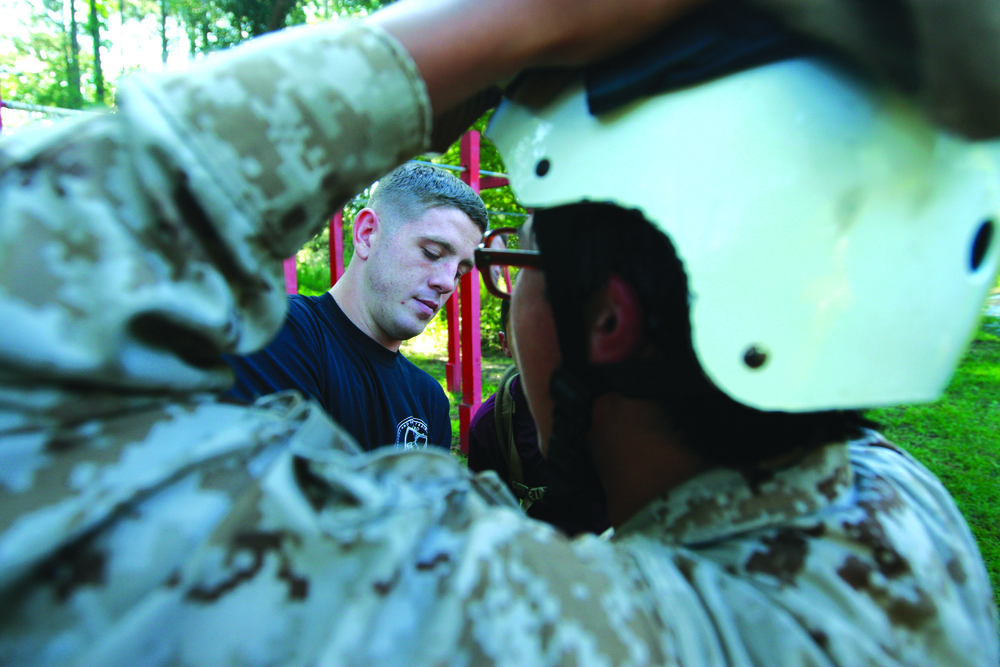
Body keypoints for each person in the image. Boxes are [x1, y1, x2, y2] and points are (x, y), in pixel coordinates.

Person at [2, 0, 1000, 665]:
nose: (477, 288)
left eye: (520, 257)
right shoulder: (898, 519)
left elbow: (31, 355)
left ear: (607, 317)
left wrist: (500, 24)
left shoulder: (543, 627)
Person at [224, 162, 487, 451]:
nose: (448, 283)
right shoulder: (277, 332)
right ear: (367, 234)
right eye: (432, 253)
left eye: (460, 271)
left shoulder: (429, 400)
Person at [469, 297, 610, 535]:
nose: (543, 342)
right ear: (505, 344)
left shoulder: (615, 408)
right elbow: (484, 526)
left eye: (558, 326)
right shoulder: (491, 426)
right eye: (523, 329)